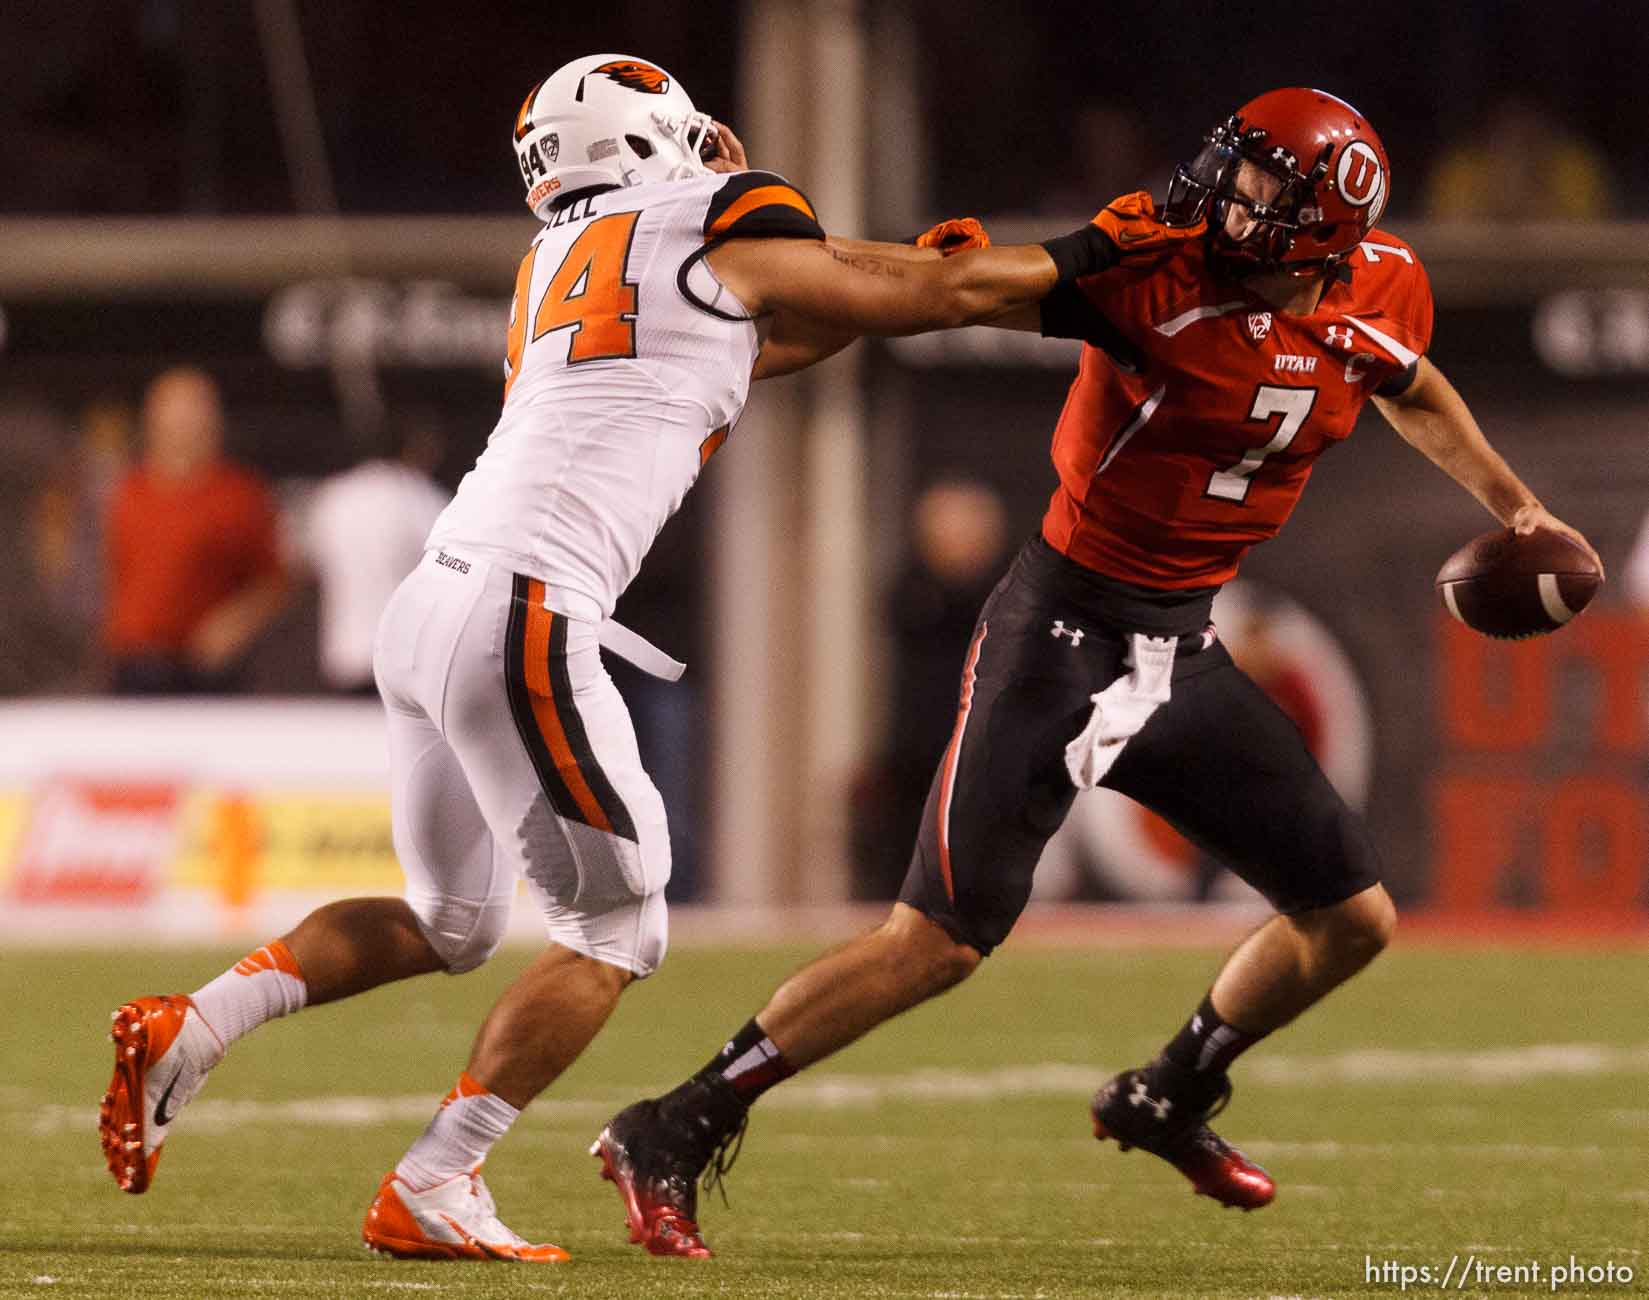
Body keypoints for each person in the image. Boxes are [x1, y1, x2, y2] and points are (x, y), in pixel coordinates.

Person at [97, 52, 1127, 1262]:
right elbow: (907, 295)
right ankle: (437, 1177)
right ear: (654, 137)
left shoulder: (556, 261)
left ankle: (194, 1027)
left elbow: (767, 336)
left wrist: (886, 280)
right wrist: (1083, 261)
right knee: (620, 926)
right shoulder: (715, 210)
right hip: (528, 605)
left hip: (435, 602)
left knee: (454, 919)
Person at [591, 87, 1605, 1258]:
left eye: (1262, 183)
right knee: (937, 940)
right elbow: (957, 290)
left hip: (1178, 645)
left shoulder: (1381, 289)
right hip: (1061, 632)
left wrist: (1514, 503)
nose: (1223, 191)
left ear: (1326, 224)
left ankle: (1168, 1088)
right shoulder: (1154, 265)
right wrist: (762, 262)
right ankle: (672, 1121)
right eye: (1234, 166)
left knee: (1351, 917)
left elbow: (1408, 381)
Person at [102, 367, 289, 694]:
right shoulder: (124, 493)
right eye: (174, 410)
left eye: (195, 408)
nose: (185, 422)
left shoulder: (240, 496)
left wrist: (236, 623)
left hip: (205, 672)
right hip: (132, 667)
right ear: (152, 418)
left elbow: (274, 583)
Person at [302, 418, 451, 694]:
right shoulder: (420, 497)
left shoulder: (334, 496)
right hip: (405, 660)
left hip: (343, 656)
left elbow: (308, 568)